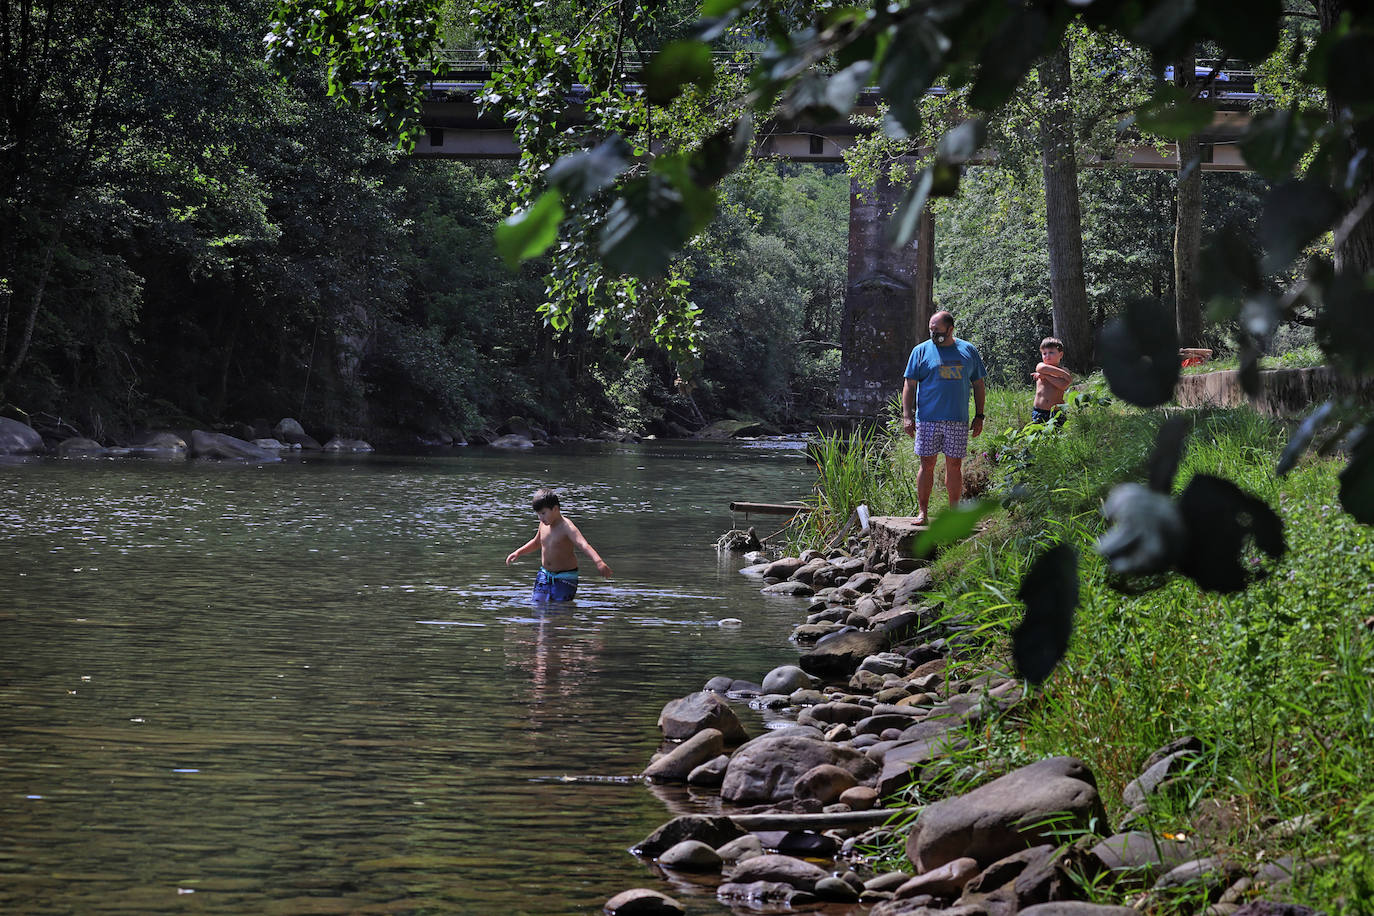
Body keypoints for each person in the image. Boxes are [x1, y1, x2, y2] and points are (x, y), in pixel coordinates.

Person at [901, 310, 987, 526]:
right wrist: (907, 416)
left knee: (954, 465)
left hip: (957, 419)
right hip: (928, 419)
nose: (933, 334)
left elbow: (978, 385)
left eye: (937, 330)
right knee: (926, 464)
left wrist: (979, 415)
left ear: (950, 329)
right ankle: (922, 513)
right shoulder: (920, 351)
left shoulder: (968, 351)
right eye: (931, 330)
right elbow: (909, 385)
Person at [505, 487, 612, 601]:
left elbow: (583, 545)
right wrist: (518, 552)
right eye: (538, 514)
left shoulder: (567, 527)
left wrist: (599, 562)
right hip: (545, 575)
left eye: (543, 513)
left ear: (555, 509)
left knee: (560, 609)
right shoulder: (543, 524)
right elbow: (536, 542)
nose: (540, 518)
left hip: (565, 577)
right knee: (538, 605)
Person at [1030, 336, 1073, 424]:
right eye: (1044, 353)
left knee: (1058, 434)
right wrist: (1064, 375)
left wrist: (1046, 376)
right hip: (1039, 411)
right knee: (1038, 434)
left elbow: (1062, 386)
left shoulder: (1064, 370)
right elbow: (1040, 368)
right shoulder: (1041, 366)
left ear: (1060, 355)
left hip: (1056, 412)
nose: (1047, 356)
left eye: (1051, 352)